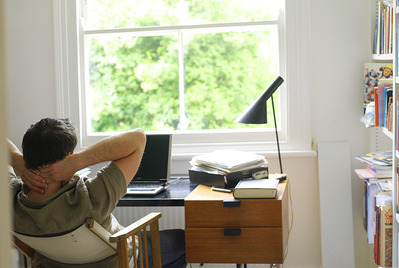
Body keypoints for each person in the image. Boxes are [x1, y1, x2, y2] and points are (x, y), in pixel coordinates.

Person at [9, 118, 186, 268]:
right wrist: (76, 163)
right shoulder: (91, 197)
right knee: (184, 240)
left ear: (28, 156)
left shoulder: (9, 200)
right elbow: (137, 138)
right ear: (68, 155)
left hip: (52, 262)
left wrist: (17, 160)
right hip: (119, 261)